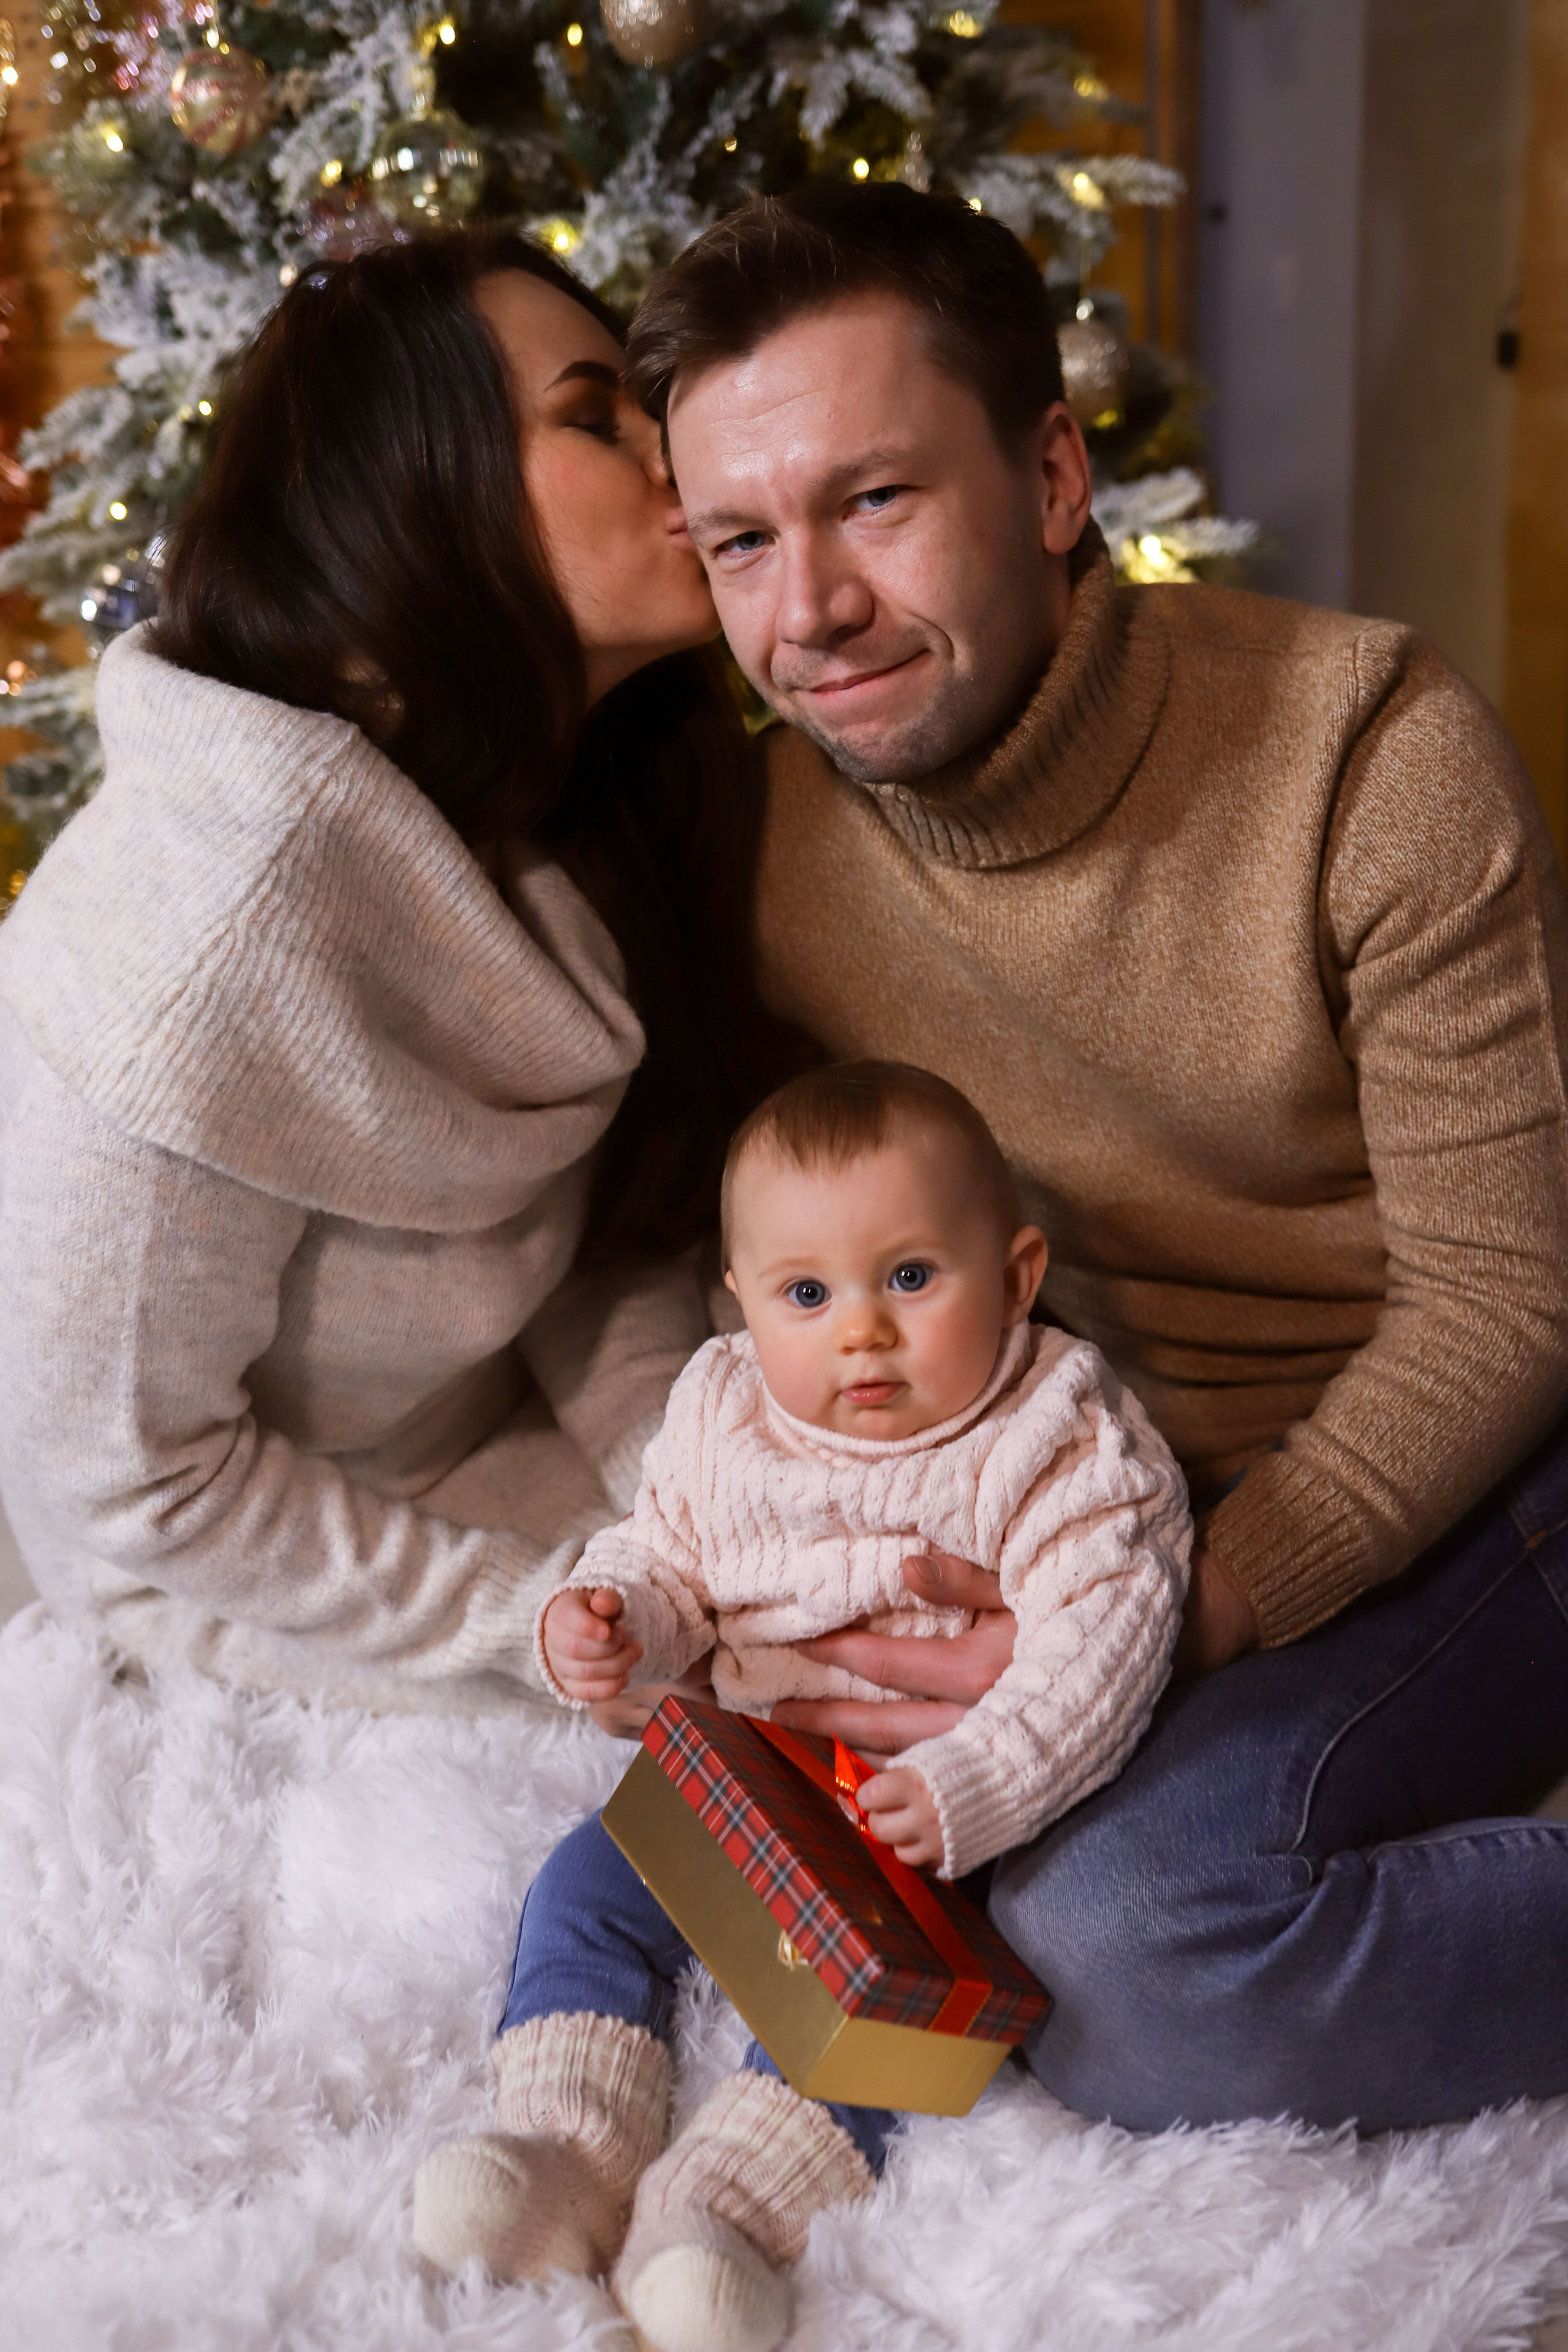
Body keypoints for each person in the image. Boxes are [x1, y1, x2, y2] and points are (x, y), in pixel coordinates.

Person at [620, 183, 1568, 2133]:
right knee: (722, 1849)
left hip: (1463, 1473)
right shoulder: (769, 838)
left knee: (1135, 1956)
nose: (807, 614)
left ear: (1053, 475)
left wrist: (1161, 1631)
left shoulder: (1365, 756)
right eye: (740, 540)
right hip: (1071, 1494)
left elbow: (1514, 1296)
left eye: (874, 500)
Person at [0, 228, 801, 1713]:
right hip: (210, 1591)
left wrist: (704, 1497)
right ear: (410, 492)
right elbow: (122, 1487)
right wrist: (556, 1619)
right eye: (592, 415)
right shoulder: (200, 946)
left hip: (486, 1485)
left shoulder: (573, 815)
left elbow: (600, 1250)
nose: (674, 451)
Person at [410, 1061, 1191, 2350]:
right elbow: (665, 1554)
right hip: (756, 1773)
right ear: (742, 1302)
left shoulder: (1056, 1438)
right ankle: (563, 2147)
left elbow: (1104, 1640)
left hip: (926, 1819)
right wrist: (608, 1620)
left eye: (908, 1279)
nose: (859, 1333)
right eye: (807, 1294)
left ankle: (725, 2214)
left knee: (876, 2019)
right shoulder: (725, 1409)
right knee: (588, 1883)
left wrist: (974, 1781)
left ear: (1016, 1274)